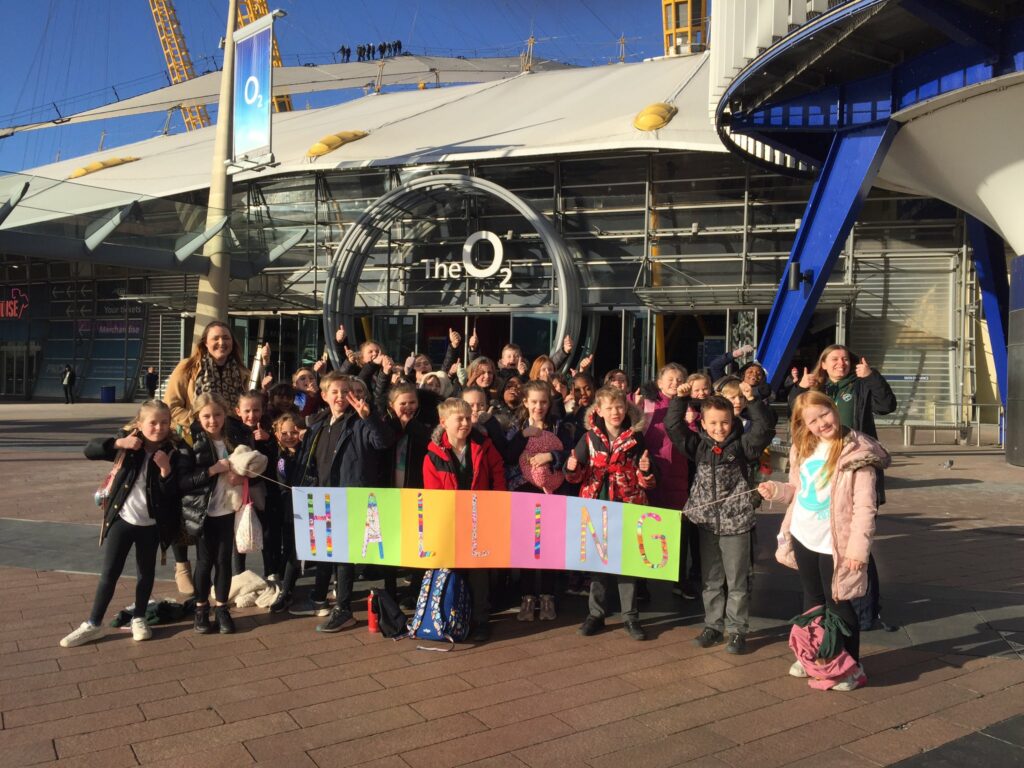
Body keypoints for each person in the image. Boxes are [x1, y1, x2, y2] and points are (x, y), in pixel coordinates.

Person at [758, 391, 891, 690]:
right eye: (813, 420)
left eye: (824, 414)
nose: (821, 423)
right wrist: (776, 491)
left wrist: (858, 550)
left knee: (840, 604)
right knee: (813, 601)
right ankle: (816, 655)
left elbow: (865, 507)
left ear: (834, 408)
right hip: (803, 534)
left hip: (836, 543)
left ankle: (852, 667)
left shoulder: (858, 452)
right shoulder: (803, 447)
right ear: (803, 425)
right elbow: (798, 490)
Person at [790, 344, 897, 629]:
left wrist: (872, 377)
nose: (841, 363)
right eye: (834, 359)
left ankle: (864, 613)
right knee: (823, 560)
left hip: (853, 475)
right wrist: (799, 388)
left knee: (857, 546)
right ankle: (823, 623)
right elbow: (797, 412)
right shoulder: (816, 389)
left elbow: (887, 406)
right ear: (823, 363)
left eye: (845, 359)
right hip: (822, 483)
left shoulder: (860, 385)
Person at [61, 401, 183, 647]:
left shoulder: (174, 451)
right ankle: (93, 623)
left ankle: (139, 617)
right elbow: (90, 450)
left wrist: (165, 470)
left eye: (164, 422)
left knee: (145, 573)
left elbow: (174, 492)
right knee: (110, 572)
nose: (158, 427)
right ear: (140, 423)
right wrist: (119, 443)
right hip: (122, 519)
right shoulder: (129, 443)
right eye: (152, 422)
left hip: (151, 524)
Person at [666, 383, 774, 655]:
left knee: (737, 581)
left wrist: (752, 399)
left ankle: (737, 630)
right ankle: (713, 626)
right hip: (706, 523)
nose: (719, 428)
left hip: (736, 523)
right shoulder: (698, 446)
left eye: (724, 422)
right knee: (711, 580)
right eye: (713, 423)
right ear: (702, 422)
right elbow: (673, 427)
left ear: (733, 420)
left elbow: (763, 429)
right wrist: (680, 399)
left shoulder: (743, 445)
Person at [289, 371, 394, 632]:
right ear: (324, 395)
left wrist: (369, 418)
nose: (340, 396)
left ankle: (343, 609)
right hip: (323, 496)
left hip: (350, 496)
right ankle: (323, 598)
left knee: (343, 554)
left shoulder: (359, 421)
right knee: (329, 552)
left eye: (345, 392)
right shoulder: (318, 425)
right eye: (334, 392)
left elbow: (383, 442)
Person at [165, 321, 256, 596]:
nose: (221, 343)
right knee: (186, 503)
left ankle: (226, 572)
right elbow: (172, 404)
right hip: (192, 441)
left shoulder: (241, 371)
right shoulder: (188, 368)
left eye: (226, 338)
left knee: (222, 503)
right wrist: (197, 424)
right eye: (215, 338)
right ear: (205, 342)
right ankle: (182, 564)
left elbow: (244, 405)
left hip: (226, 442)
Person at [566, 385, 655, 641]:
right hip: (597, 503)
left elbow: (647, 477)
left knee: (627, 563)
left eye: (619, 407)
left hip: (628, 503)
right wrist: (571, 466)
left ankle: (630, 616)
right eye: (609, 407)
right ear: (599, 410)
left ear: (626, 408)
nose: (615, 412)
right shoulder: (588, 438)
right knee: (598, 564)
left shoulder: (636, 437)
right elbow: (575, 475)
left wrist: (646, 470)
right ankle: (596, 614)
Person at [423, 397, 506, 642]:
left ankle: (481, 619)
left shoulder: (483, 445)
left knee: (479, 570)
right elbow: (433, 494)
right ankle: (454, 616)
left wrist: (497, 501)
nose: (465, 423)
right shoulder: (432, 455)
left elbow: (497, 471)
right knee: (452, 569)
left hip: (480, 517)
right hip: (450, 521)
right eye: (459, 419)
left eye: (468, 418)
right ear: (443, 422)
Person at [177, 392, 253, 635]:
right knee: (204, 561)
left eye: (218, 415)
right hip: (203, 511)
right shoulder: (190, 441)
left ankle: (222, 608)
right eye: (207, 416)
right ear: (198, 417)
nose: (213, 421)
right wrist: (211, 470)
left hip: (229, 509)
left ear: (225, 414)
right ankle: (201, 608)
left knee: (223, 560)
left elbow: (254, 466)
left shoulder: (236, 437)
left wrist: (243, 477)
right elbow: (183, 481)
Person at [234, 391, 277, 579]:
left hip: (261, 487)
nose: (252, 415)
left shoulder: (269, 430)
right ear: (238, 411)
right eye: (247, 411)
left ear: (262, 410)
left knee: (266, 531)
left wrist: (268, 440)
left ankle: (271, 572)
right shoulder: (232, 432)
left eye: (256, 410)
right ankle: (239, 575)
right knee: (239, 532)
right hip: (238, 488)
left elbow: (274, 459)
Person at [269, 412, 304, 613]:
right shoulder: (281, 456)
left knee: (296, 550)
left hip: (307, 506)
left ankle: (287, 589)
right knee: (290, 549)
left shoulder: (307, 451)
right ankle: (286, 589)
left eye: (294, 432)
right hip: (289, 509)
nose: (290, 436)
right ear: (277, 435)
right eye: (284, 433)